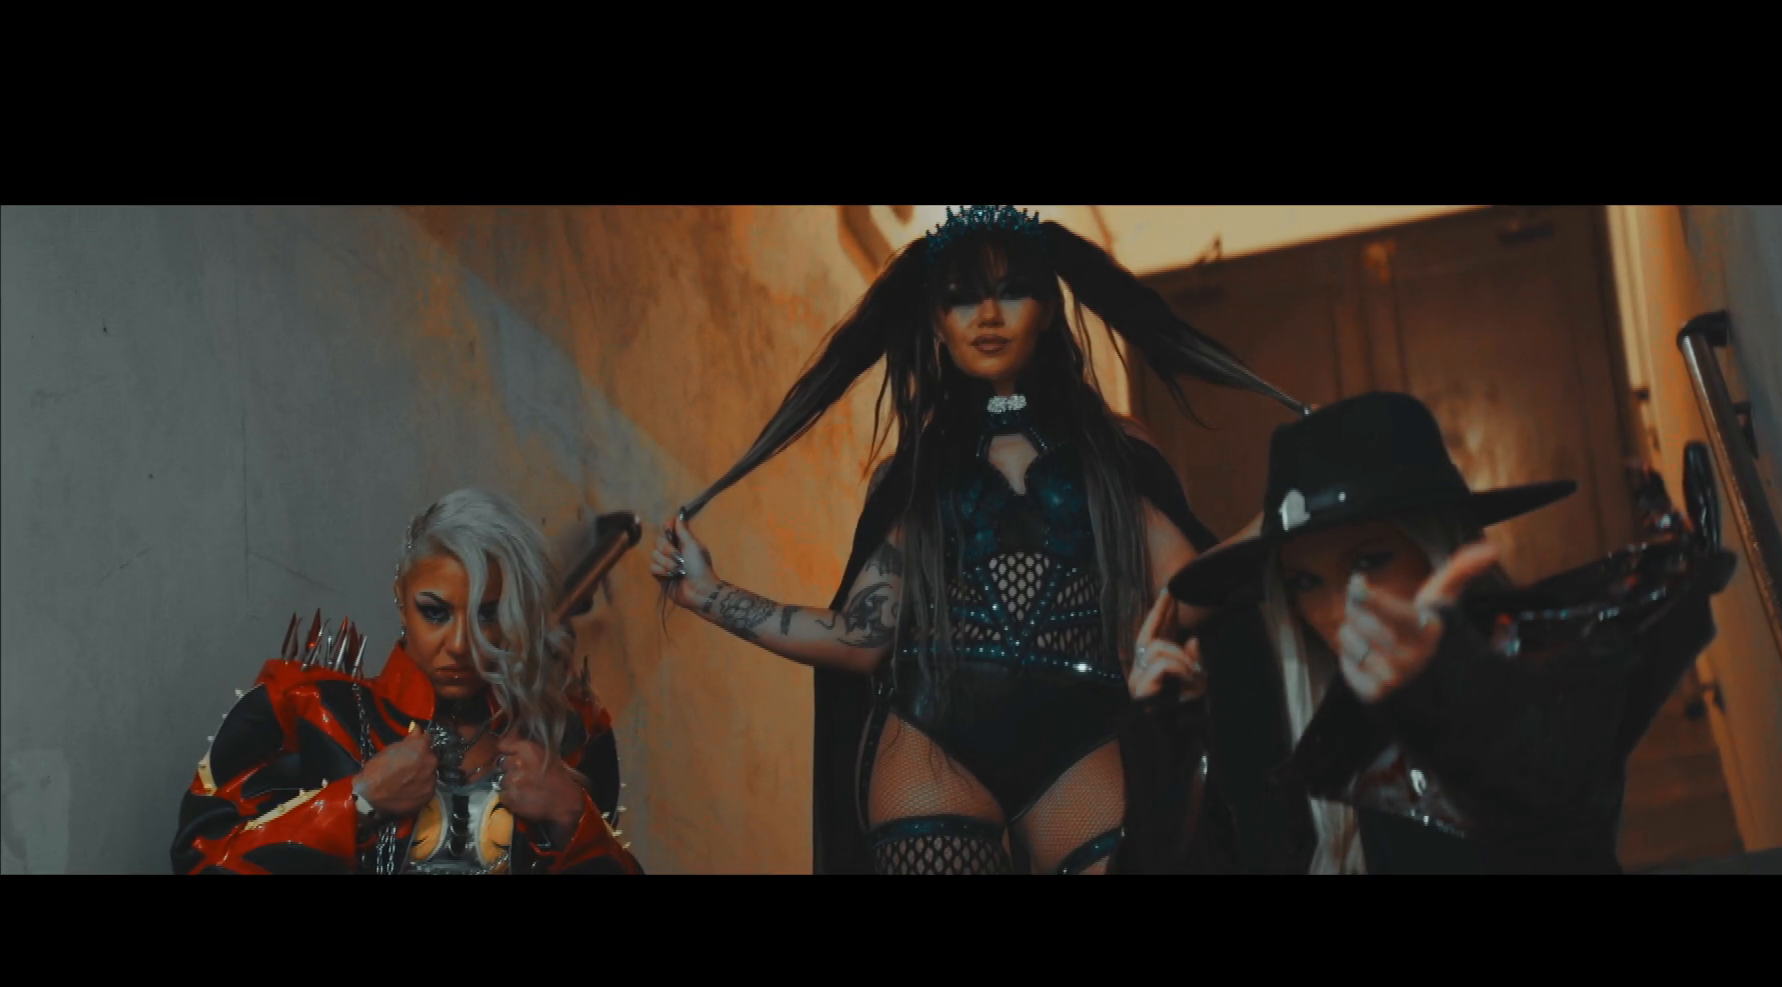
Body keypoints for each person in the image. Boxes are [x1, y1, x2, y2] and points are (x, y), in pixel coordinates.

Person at [648, 206, 1305, 874]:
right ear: (936, 321)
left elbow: (1183, 596)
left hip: (1084, 739)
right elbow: (861, 636)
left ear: (1048, 310)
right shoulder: (912, 473)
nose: (987, 315)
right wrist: (708, 594)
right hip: (933, 745)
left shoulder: (1114, 450)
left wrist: (1287, 514)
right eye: (961, 298)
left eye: (1011, 292)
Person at [1141, 392, 1734, 873]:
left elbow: (1555, 821)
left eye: (1370, 559)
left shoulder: (1538, 676)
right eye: (1303, 581)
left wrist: (1447, 695)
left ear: (1438, 549)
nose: (1337, 607)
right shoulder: (1306, 724)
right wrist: (1168, 753)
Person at [172, 488, 643, 874]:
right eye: (435, 612)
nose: (460, 644)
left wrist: (570, 817)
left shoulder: (568, 733)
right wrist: (358, 801)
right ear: (401, 596)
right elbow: (200, 861)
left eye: (488, 615)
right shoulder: (305, 707)